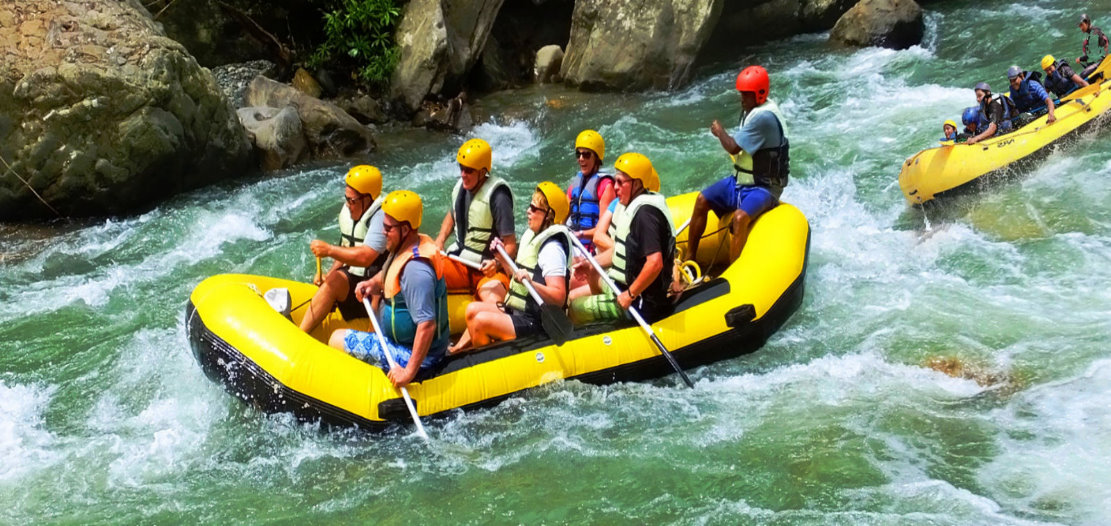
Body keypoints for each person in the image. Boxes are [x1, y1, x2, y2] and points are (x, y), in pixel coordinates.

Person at [328, 191, 451, 388]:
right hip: (399, 343)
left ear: (405, 229)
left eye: (388, 228)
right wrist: (372, 284)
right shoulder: (403, 248)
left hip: (417, 357)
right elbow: (387, 275)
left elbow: (427, 325)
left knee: (336, 339)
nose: (383, 232)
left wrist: (408, 372)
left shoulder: (416, 270)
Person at [449, 182, 575, 352]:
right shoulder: (531, 236)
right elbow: (516, 280)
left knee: (480, 321)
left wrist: (532, 283)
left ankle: (488, 363)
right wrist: (502, 259)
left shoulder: (552, 249)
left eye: (534, 208)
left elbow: (559, 296)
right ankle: (458, 351)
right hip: (517, 310)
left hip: (536, 321)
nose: (528, 211)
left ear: (549, 216)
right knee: (472, 310)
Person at [687, 65, 789, 263]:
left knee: (740, 218)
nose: (742, 99)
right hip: (741, 182)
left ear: (759, 95)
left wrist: (719, 132)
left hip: (764, 187)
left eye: (746, 95)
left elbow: (733, 147)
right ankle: (690, 258)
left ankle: (734, 272)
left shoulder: (764, 118)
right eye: (741, 94)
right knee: (701, 200)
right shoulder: (751, 111)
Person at [571, 152, 675, 324]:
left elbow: (655, 263)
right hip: (621, 286)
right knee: (593, 272)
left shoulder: (645, 215)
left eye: (620, 182)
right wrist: (590, 264)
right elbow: (621, 252)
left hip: (639, 302)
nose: (615, 187)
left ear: (637, 184)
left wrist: (630, 294)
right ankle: (606, 323)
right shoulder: (632, 207)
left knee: (575, 307)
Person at [300, 165, 389, 333]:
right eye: (346, 198)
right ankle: (300, 335)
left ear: (368, 199)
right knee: (333, 281)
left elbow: (366, 257)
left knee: (338, 281)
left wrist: (328, 250)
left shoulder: (381, 217)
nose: (348, 205)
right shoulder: (351, 209)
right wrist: (330, 274)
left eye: (352, 200)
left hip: (378, 290)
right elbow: (348, 247)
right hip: (357, 286)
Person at [433, 138, 516, 303]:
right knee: (423, 270)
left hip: (488, 269)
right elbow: (452, 215)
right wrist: (440, 240)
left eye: (469, 170)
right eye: (461, 168)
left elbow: (511, 245)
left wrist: (497, 263)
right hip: (460, 261)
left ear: (483, 171)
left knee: (491, 300)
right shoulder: (461, 188)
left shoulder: (499, 198)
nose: (463, 174)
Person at [566, 130, 615, 254]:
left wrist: (581, 234)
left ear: (597, 158)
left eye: (586, 155)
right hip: (573, 246)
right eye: (578, 154)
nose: (581, 159)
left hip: (593, 251)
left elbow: (603, 229)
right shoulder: (575, 184)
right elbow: (562, 216)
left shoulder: (605, 186)